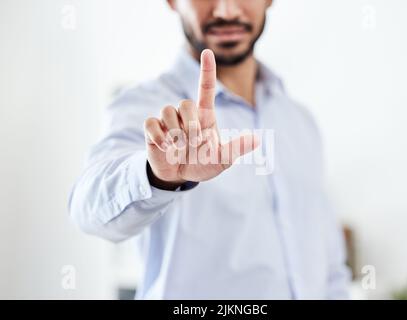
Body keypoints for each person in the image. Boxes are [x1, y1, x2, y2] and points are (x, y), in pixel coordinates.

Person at [69, 0, 350, 299]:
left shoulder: (300, 121)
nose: (226, 11)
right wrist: (157, 176)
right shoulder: (142, 107)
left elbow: (329, 267)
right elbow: (87, 210)